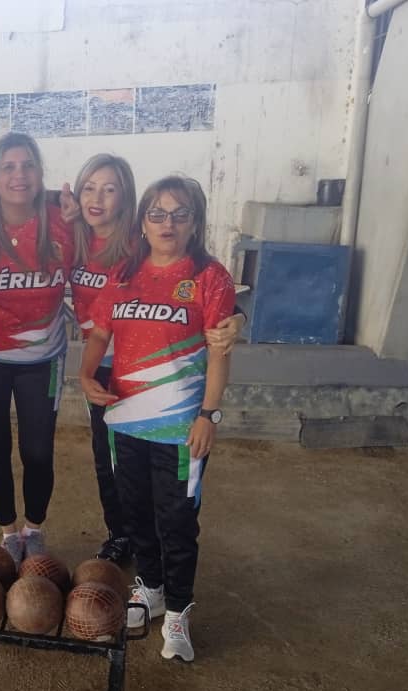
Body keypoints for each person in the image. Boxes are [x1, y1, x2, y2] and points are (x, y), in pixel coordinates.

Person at [80, 175, 236, 663]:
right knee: (135, 512)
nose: (168, 223)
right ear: (143, 222)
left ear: (195, 222)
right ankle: (149, 588)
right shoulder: (124, 273)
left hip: (178, 428)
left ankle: (178, 612)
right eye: (157, 214)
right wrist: (85, 374)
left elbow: (220, 352)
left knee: (177, 520)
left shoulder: (209, 277)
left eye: (180, 214)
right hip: (124, 420)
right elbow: (100, 332)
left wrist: (208, 414)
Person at [68, 155, 245, 565]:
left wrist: (237, 319)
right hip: (105, 367)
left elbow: (206, 298)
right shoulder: (70, 237)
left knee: (163, 479)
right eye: (89, 188)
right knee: (110, 464)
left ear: (127, 199)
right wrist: (85, 371)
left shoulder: (144, 239)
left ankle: (165, 561)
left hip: (156, 367)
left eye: (109, 189)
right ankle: (122, 537)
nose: (97, 198)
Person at [0, 132, 74, 565]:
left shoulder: (64, 222)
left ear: (41, 174)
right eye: (8, 167)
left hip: (42, 358)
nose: (19, 175)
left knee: (38, 451)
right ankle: (8, 531)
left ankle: (34, 528)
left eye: (27, 165)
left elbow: (111, 248)